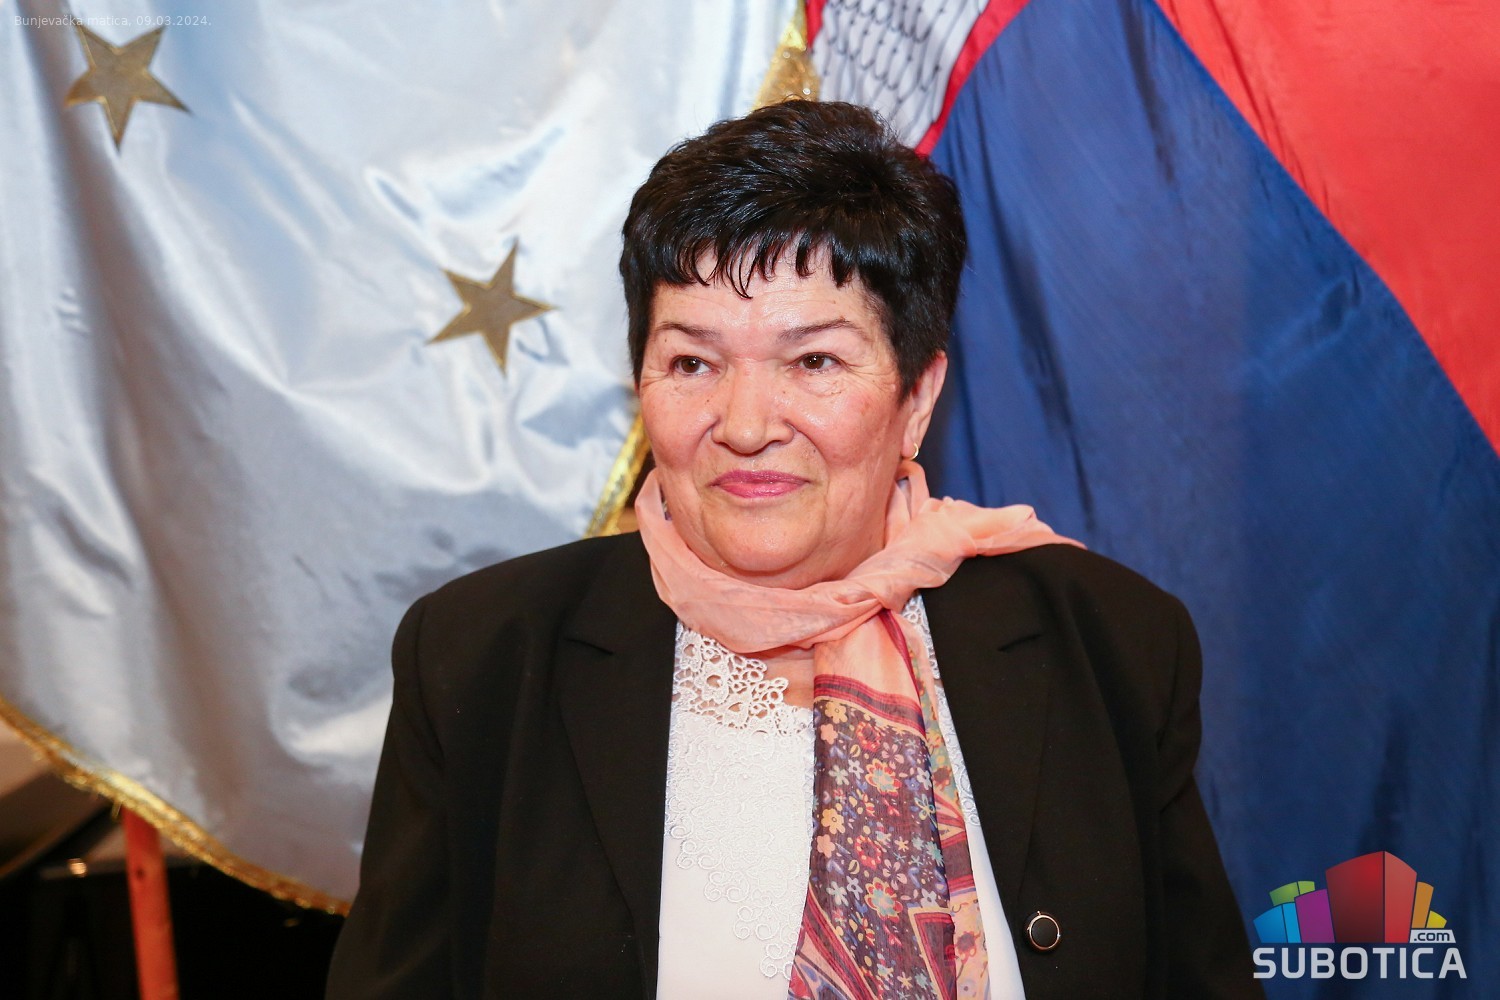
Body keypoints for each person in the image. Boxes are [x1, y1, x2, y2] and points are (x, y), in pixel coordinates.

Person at [327, 100, 1261, 999]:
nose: (744, 425)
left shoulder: (1105, 642)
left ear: (917, 397)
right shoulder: (484, 657)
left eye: (814, 361)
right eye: (693, 362)